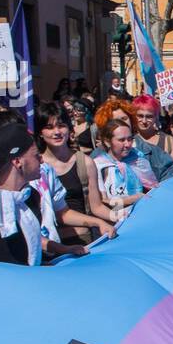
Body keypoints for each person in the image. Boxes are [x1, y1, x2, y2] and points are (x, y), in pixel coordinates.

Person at [0, 123, 89, 265]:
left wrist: (63, 249)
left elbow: (30, 238)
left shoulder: (30, 196)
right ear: (18, 162)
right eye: (36, 156)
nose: (42, 160)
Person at [35, 102, 117, 245]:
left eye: (61, 125)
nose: (57, 132)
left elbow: (96, 206)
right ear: (41, 133)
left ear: (69, 128)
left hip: (84, 240)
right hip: (49, 243)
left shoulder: (85, 162)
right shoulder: (36, 165)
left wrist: (119, 216)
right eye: (49, 127)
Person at [92, 119, 148, 216]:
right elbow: (103, 203)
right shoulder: (99, 165)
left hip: (143, 213)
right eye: (121, 140)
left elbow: (150, 187)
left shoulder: (138, 157)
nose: (127, 144)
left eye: (130, 139)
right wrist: (130, 200)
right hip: (117, 219)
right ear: (107, 142)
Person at [133, 95, 173, 168]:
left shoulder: (168, 141)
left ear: (156, 117)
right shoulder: (129, 141)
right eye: (140, 116)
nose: (144, 121)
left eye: (149, 116)